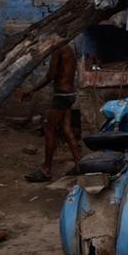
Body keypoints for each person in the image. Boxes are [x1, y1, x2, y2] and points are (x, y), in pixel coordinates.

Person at [22, 44, 80, 182]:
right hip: (70, 93)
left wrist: (33, 90)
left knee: (49, 128)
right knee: (67, 129)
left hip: (61, 95)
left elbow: (51, 75)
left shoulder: (57, 48)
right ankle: (79, 164)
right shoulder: (70, 48)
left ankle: (46, 169)